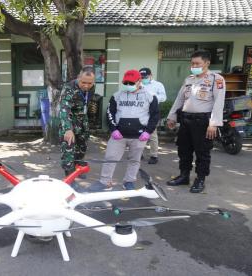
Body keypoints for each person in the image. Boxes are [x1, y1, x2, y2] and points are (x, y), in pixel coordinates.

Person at [166, 50, 225, 193]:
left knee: (202, 152)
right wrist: (172, 116)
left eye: (197, 63)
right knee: (183, 150)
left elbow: (219, 102)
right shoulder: (189, 79)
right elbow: (180, 99)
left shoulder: (216, 79)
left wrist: (213, 123)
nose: (194, 65)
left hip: (203, 122)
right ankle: (184, 176)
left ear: (207, 63)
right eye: (192, 63)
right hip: (186, 119)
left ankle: (200, 179)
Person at [92, 70, 159, 191]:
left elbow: (155, 115)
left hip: (139, 135)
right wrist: (113, 129)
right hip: (119, 135)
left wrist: (148, 132)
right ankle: (105, 182)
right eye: (126, 82)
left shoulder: (150, 95)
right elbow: (109, 113)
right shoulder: (117, 95)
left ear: (139, 81)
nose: (128, 85)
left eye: (131, 82)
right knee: (110, 157)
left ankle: (129, 181)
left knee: (134, 160)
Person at [59, 66, 99, 187]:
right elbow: (64, 109)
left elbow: (88, 102)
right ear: (78, 78)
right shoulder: (69, 88)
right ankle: (69, 179)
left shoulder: (91, 87)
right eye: (83, 82)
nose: (86, 86)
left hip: (83, 123)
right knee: (69, 150)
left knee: (81, 149)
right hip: (70, 122)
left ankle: (77, 170)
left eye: (89, 83)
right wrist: (68, 129)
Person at [139, 67, 166, 164]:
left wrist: (153, 97)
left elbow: (163, 97)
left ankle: (154, 155)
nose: (143, 79)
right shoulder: (139, 83)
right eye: (141, 77)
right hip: (140, 111)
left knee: (152, 134)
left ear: (151, 75)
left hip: (152, 111)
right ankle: (139, 154)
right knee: (139, 132)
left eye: (145, 77)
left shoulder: (158, 85)